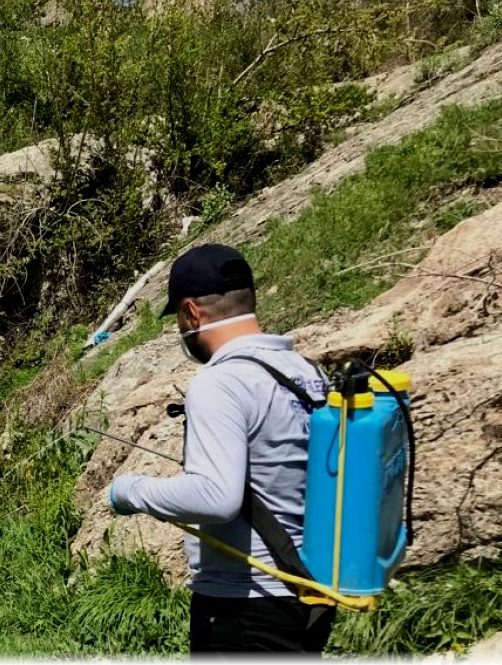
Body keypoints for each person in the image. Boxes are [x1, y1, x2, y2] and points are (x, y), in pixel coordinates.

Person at [107, 243, 335, 655]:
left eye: (178, 317)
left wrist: (130, 490)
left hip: (244, 606)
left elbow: (215, 498)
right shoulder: (306, 372)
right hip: (306, 591)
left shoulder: (222, 382)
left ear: (192, 312)